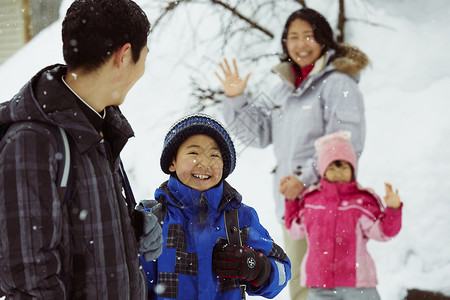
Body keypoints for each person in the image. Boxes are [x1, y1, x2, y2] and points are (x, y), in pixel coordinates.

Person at [0, 0, 162, 299]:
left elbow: (79, 239)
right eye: (144, 56)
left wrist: (131, 229)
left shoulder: (99, 125)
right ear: (124, 56)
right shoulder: (32, 142)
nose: (143, 68)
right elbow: (30, 282)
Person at [215, 7, 369, 300]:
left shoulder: (339, 84)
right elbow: (258, 135)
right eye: (293, 37)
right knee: (301, 287)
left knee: (332, 288)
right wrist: (236, 99)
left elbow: (346, 143)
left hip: (331, 206)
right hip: (293, 207)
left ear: (323, 40)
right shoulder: (283, 89)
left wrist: (305, 178)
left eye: (308, 36)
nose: (300, 44)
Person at [139, 114, 291, 299]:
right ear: (172, 162)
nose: (204, 163)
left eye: (214, 155)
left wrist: (258, 267)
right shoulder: (152, 220)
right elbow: (131, 282)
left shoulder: (240, 219)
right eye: (193, 153)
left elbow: (284, 272)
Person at [284, 130, 402, 300]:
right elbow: (295, 231)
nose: (338, 173)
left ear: (352, 169)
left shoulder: (361, 202)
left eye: (343, 167)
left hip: (358, 286)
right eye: (331, 167)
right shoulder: (311, 201)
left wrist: (393, 209)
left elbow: (383, 233)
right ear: (323, 171)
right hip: (320, 285)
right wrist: (291, 201)